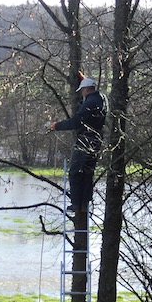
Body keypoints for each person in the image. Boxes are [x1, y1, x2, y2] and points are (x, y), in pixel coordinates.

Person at [49, 77, 107, 213]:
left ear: (86, 89)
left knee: (75, 172)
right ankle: (84, 204)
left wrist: (57, 126)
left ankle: (76, 203)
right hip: (97, 139)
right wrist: (83, 78)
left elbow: (76, 121)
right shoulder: (102, 98)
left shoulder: (90, 102)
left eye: (82, 91)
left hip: (86, 139)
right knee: (87, 172)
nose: (82, 93)